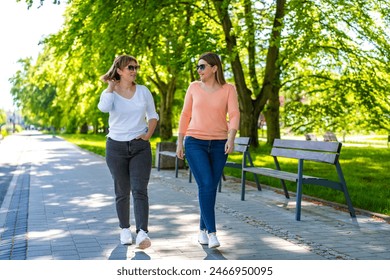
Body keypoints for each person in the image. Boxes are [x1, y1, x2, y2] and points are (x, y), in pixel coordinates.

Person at [176, 52, 240, 248]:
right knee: (205, 183)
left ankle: (202, 230)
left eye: (202, 66)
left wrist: (231, 138)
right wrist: (180, 141)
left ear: (214, 68)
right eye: (198, 67)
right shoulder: (194, 87)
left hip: (220, 144)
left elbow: (235, 114)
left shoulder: (228, 89)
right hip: (195, 142)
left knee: (209, 187)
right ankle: (212, 233)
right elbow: (185, 114)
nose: (199, 70)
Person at [97, 55, 159, 249]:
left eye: (136, 67)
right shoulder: (110, 93)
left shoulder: (143, 91)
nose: (134, 70)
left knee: (140, 190)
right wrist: (110, 87)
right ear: (120, 71)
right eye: (130, 67)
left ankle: (142, 233)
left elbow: (153, 115)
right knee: (122, 190)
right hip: (116, 147)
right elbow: (103, 108)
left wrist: (148, 134)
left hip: (139, 146)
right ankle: (124, 229)